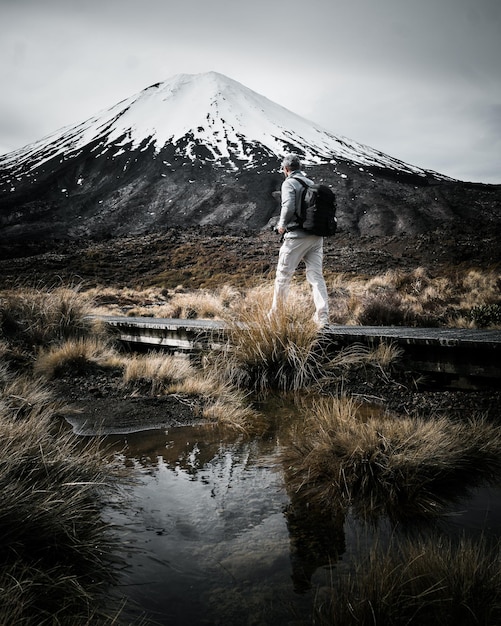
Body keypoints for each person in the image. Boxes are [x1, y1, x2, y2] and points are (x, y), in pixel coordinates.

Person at [268, 154, 329, 328]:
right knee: (316, 276)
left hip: (297, 236)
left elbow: (288, 206)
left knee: (283, 276)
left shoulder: (289, 183)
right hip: (317, 237)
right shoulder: (311, 183)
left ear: (286, 169)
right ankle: (323, 318)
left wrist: (281, 225)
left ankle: (276, 317)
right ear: (300, 167)